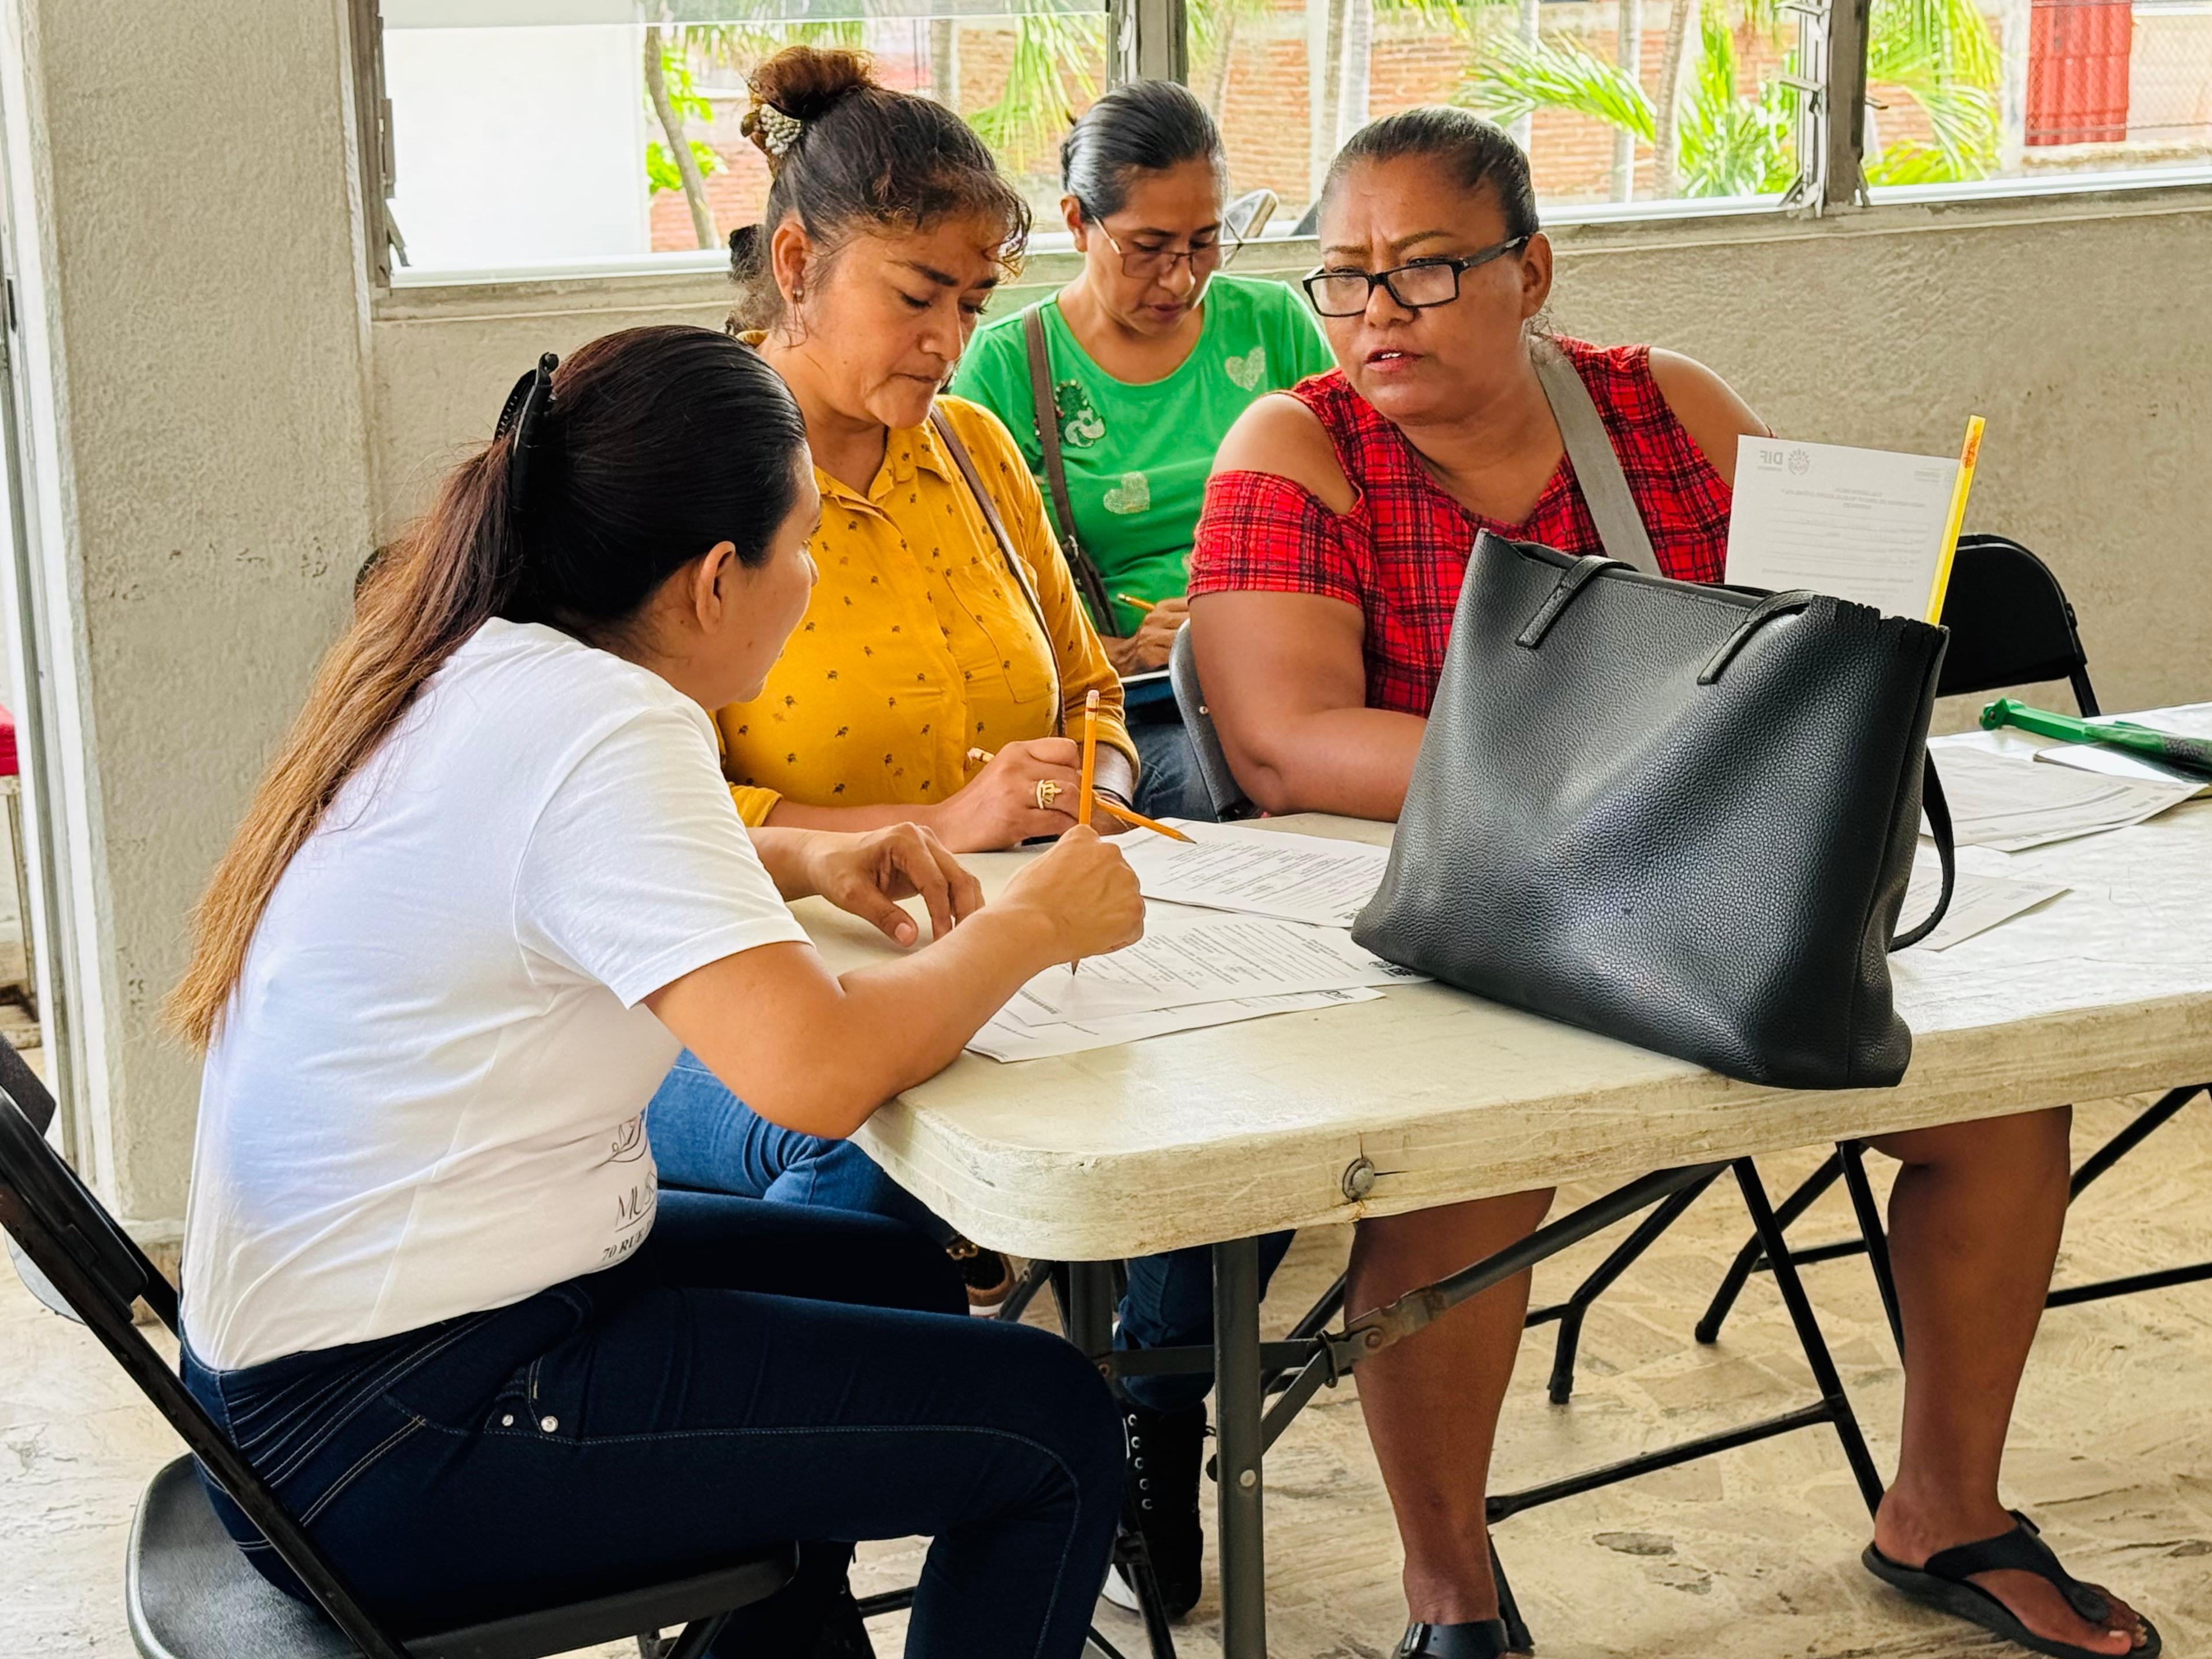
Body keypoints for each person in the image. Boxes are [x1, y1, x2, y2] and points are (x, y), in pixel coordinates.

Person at [1186, 108, 2156, 1659]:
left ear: (1529, 269)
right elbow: (1291, 747)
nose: (1376, 313)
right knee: (1458, 1182)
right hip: (1450, 930)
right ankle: (1452, 1594)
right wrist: (1635, 763)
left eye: (1426, 271)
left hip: (1701, 912)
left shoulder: (1664, 412)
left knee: (1996, 1108)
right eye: (1345, 276)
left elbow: (1805, 666)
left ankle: (1943, 1507)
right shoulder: (1295, 448)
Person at [170, 324, 1143, 1659]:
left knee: (897, 1283)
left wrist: (791, 852)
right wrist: (1031, 921)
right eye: (801, 547)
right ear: (709, 582)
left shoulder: (480, 657)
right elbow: (814, 1071)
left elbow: (523, 873)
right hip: (390, 1433)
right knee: (1052, 1428)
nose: (809, 578)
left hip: (299, 1386)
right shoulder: (610, 725)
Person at [948, 79, 1333, 821]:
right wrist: (1122, 654)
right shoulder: (1005, 367)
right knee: (1219, 792)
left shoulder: (1274, 325)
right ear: (1077, 223)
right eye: (1149, 247)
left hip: (1296, 678)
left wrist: (1240, 627)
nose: (1181, 277)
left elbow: (1358, 509)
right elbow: (981, 598)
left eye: (1205, 242)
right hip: (1135, 711)